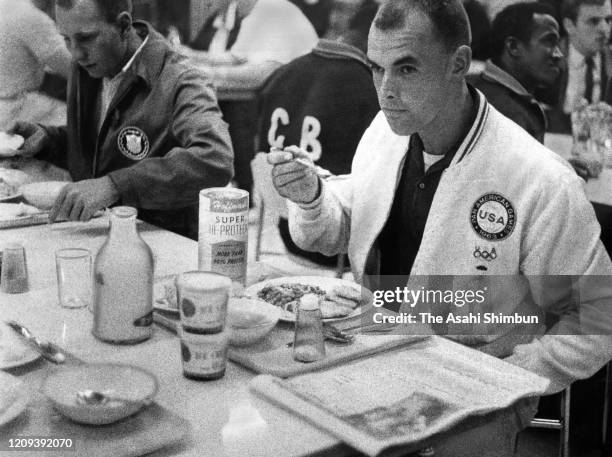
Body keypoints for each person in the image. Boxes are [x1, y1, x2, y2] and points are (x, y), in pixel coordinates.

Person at [268, 0, 612, 455]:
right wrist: (312, 197)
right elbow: (341, 225)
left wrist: (506, 368)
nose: (385, 90)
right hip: (372, 351)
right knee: (277, 419)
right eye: (376, 68)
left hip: (478, 392)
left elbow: (598, 316)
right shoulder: (383, 133)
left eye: (406, 69)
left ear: (460, 64)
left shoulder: (538, 179)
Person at [8, 0, 233, 240]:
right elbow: (107, 148)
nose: (75, 53)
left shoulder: (181, 79)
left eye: (86, 38)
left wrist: (115, 186)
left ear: (124, 25)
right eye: (66, 39)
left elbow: (215, 158)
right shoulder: (88, 68)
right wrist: (50, 141)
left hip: (162, 239)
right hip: (98, 232)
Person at [257, 0, 380, 266]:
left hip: (284, 231)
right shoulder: (369, 90)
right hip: (337, 249)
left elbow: (260, 155)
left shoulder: (282, 74)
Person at [468, 2, 563, 143]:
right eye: (549, 41)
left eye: (557, 44)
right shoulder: (509, 115)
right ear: (513, 47)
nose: (558, 54)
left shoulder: (478, 87)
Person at [0, 0, 72, 129]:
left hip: (9, 103)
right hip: (15, 110)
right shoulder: (28, 14)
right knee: (86, 124)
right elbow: (73, 68)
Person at [546, 0, 612, 133]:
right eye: (594, 21)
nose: (604, 29)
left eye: (608, 20)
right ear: (569, 25)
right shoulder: (547, 59)